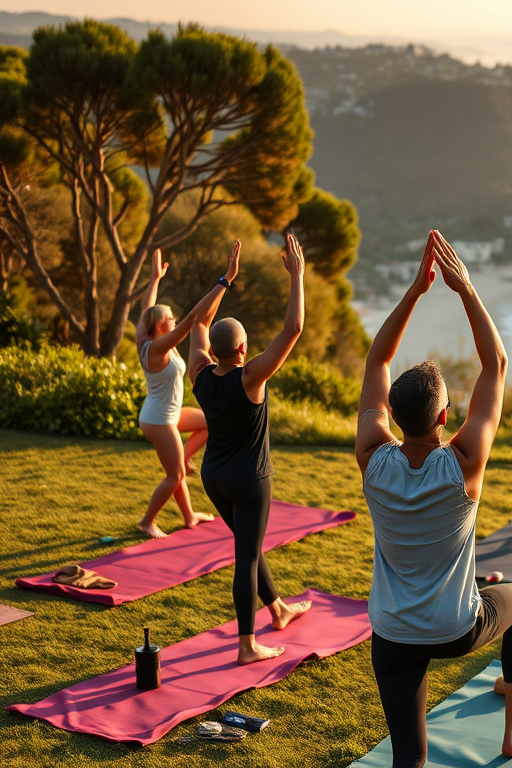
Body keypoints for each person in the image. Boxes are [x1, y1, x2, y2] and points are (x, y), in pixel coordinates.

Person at [356, 230, 512, 767]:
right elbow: (497, 365)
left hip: (391, 633)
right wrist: (465, 290)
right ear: (444, 418)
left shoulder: (372, 457)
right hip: (454, 629)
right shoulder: (463, 464)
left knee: (409, 759)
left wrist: (416, 291)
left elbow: (375, 363)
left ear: (392, 415)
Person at [187, 236, 312, 665]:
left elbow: (199, 324)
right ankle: (246, 645)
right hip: (250, 480)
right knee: (246, 556)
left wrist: (225, 279)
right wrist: (297, 277)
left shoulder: (200, 374)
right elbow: (293, 329)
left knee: (248, 547)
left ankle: (277, 610)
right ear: (242, 350)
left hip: (214, 477)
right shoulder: (251, 377)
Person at [135, 248, 214, 538]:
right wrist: (221, 284)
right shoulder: (156, 347)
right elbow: (191, 320)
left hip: (166, 412)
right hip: (159, 420)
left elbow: (148, 306)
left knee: (209, 422)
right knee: (174, 476)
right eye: (170, 318)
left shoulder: (146, 335)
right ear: (161, 326)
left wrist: (155, 278)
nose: (174, 318)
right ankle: (146, 522)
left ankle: (189, 515)